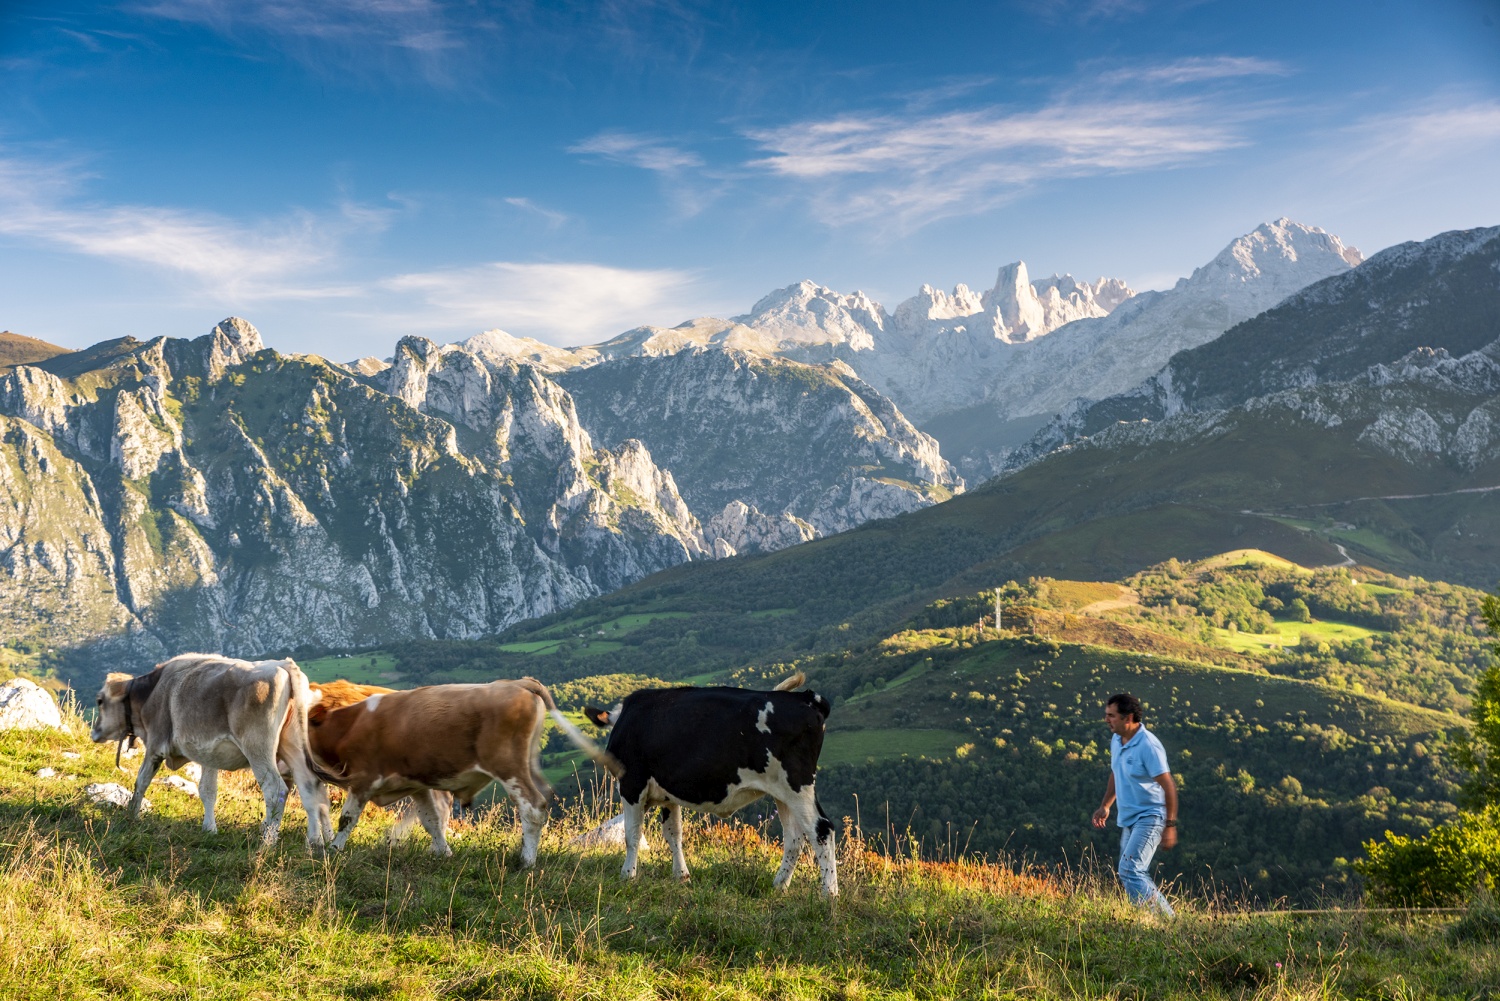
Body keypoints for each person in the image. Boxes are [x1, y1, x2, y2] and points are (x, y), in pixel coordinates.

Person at [1092, 692, 1177, 916]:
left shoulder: (1149, 746)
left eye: (1111, 715)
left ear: (1127, 718)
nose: (1106, 719)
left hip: (1150, 817)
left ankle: (1169, 921)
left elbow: (1169, 786)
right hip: (1128, 819)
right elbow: (1116, 772)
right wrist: (1106, 805)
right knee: (1128, 873)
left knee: (1131, 869)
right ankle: (1146, 920)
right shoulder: (1117, 740)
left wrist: (1170, 826)